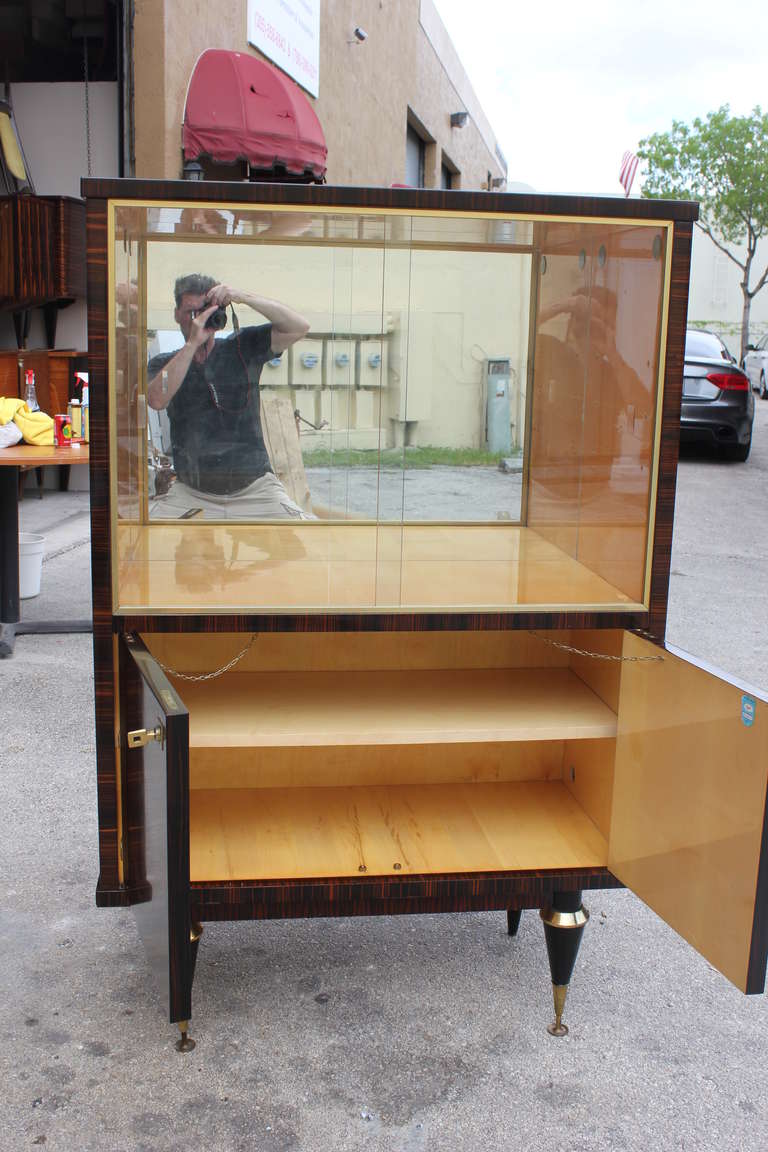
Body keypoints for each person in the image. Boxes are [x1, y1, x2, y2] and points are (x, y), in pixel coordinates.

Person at [147, 273, 311, 518]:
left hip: (255, 486)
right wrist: (192, 344)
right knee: (151, 545)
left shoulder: (242, 346)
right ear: (176, 315)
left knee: (302, 545)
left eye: (204, 312)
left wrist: (242, 297)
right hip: (192, 491)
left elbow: (299, 327)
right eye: (191, 313)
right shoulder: (165, 363)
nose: (198, 320)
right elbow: (157, 399)